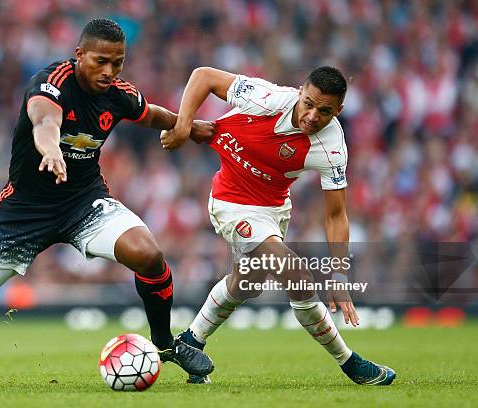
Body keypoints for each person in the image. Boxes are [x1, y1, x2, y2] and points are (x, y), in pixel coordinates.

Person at [0, 18, 214, 386]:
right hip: (23, 211)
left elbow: (150, 114)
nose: (109, 71)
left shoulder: (118, 92)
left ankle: (164, 344)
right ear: (79, 55)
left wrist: (187, 127)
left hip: (83, 202)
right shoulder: (51, 85)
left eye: (118, 63)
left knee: (148, 254)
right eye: (100, 61)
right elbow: (44, 122)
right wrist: (50, 150)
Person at [160, 66, 396, 385]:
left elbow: (336, 215)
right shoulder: (268, 98)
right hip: (231, 202)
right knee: (296, 274)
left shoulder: (332, 147)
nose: (313, 115)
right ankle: (350, 363)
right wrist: (184, 125)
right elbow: (203, 76)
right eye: (309, 103)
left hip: (273, 211)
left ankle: (190, 341)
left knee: (247, 283)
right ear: (300, 92)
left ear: (338, 111)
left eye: (324, 111)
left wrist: (339, 273)